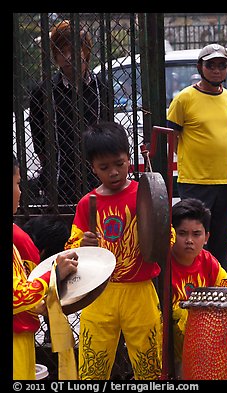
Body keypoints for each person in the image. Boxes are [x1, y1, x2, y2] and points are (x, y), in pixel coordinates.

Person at [64, 121, 162, 380]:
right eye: (105, 167)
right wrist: (82, 246)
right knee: (92, 368)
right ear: (93, 168)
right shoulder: (87, 203)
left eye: (119, 164)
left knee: (149, 365)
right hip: (98, 292)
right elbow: (71, 247)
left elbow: (166, 238)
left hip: (140, 289)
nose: (115, 172)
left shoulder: (146, 194)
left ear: (130, 159)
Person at [166, 43, 227, 280]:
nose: (216, 70)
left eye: (221, 65)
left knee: (222, 237)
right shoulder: (185, 98)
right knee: (193, 237)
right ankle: (192, 282)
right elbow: (172, 138)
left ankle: (220, 287)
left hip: (226, 179)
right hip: (196, 180)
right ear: (200, 67)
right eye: (211, 65)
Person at [13, 154, 79, 380]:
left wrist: (36, 305)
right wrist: (54, 275)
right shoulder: (22, 243)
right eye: (18, 183)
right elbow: (16, 295)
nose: (21, 191)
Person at [29, 20, 108, 205]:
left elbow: (108, 128)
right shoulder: (43, 91)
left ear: (85, 50)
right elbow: (38, 138)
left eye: (73, 50)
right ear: (54, 56)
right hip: (59, 177)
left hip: (95, 174)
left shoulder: (101, 87)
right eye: (61, 52)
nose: (68, 57)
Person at [170, 198, 227, 377]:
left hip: (206, 343)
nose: (189, 240)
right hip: (171, 346)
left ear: (206, 237)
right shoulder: (162, 263)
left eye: (196, 234)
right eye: (182, 233)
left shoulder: (208, 261)